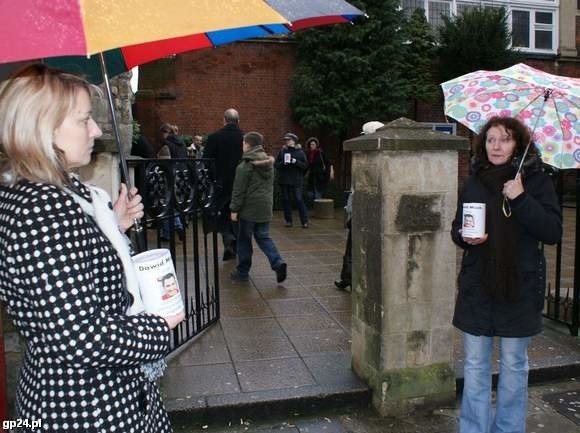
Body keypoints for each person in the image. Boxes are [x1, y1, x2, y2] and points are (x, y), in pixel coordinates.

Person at [0, 64, 184, 433]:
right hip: (86, 408)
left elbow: (65, 273)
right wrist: (159, 328)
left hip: (92, 398)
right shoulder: (41, 208)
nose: (97, 130)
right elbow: (80, 337)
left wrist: (112, 225)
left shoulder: (50, 193)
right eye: (84, 120)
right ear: (43, 128)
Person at [451, 116, 562, 433]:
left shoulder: (535, 181)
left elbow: (552, 231)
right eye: (490, 139)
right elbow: (457, 227)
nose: (496, 146)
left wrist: (521, 198)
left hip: (519, 285)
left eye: (505, 139)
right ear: (482, 143)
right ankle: (474, 428)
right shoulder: (474, 180)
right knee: (474, 365)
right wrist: (463, 235)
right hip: (478, 285)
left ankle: (508, 428)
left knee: (513, 364)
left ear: (519, 144)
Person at [229, 132, 287, 283]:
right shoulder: (268, 163)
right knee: (263, 237)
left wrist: (234, 210)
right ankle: (278, 263)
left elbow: (239, 190)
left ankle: (242, 273)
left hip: (249, 210)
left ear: (247, 145)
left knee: (244, 241)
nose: (242, 146)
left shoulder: (245, 165)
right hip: (265, 208)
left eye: (243, 143)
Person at [334, 121, 384, 291]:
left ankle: (349, 277)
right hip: (363, 210)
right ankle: (349, 277)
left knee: (354, 248)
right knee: (354, 247)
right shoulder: (371, 157)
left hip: (364, 211)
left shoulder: (371, 159)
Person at [203, 108, 243, 260]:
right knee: (237, 216)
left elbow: (206, 161)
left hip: (220, 184)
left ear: (224, 120)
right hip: (240, 184)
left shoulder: (214, 137)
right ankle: (234, 246)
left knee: (220, 215)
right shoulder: (245, 138)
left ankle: (228, 239)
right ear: (238, 121)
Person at [157, 123, 187, 241]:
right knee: (177, 204)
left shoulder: (166, 145)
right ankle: (179, 226)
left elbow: (163, 163)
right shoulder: (182, 144)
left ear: (166, 132)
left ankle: (167, 233)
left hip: (169, 177)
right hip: (181, 176)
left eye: (162, 133)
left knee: (166, 203)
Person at [274, 132, 309, 228]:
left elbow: (305, 166)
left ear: (294, 141)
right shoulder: (282, 151)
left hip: (297, 180)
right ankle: (288, 221)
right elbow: (276, 165)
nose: (286, 142)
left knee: (298, 199)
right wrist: (283, 163)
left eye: (288, 140)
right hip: (285, 180)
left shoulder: (300, 152)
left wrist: (296, 162)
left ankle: (304, 221)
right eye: (285, 140)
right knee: (286, 200)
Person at [305, 136, 334, 203]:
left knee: (318, 195)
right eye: (310, 144)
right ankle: (314, 208)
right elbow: (306, 165)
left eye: (313, 144)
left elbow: (328, 162)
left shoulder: (320, 153)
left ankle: (319, 210)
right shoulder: (308, 154)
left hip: (319, 177)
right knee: (310, 195)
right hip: (311, 177)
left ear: (316, 145)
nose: (311, 146)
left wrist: (331, 172)